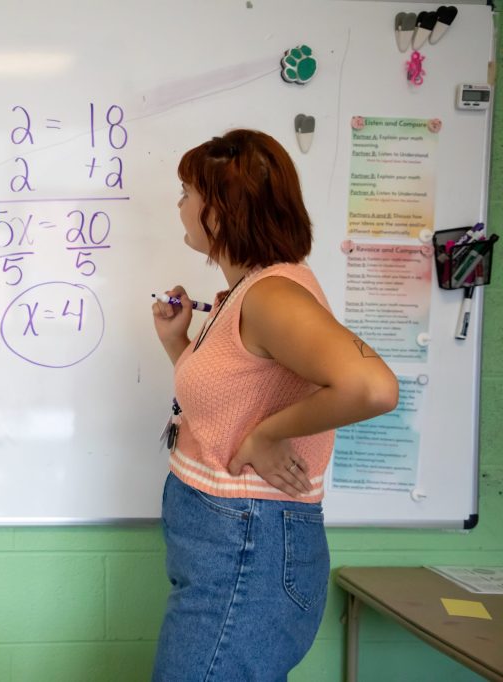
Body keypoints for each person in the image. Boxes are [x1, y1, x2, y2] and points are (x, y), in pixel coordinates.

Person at [150, 129, 399, 681]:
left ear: (221, 210)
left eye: (188, 192)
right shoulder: (247, 292)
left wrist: (267, 436)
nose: (180, 205)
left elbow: (374, 387)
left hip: (247, 551)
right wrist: (177, 344)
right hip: (228, 547)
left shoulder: (273, 295)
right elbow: (229, 402)